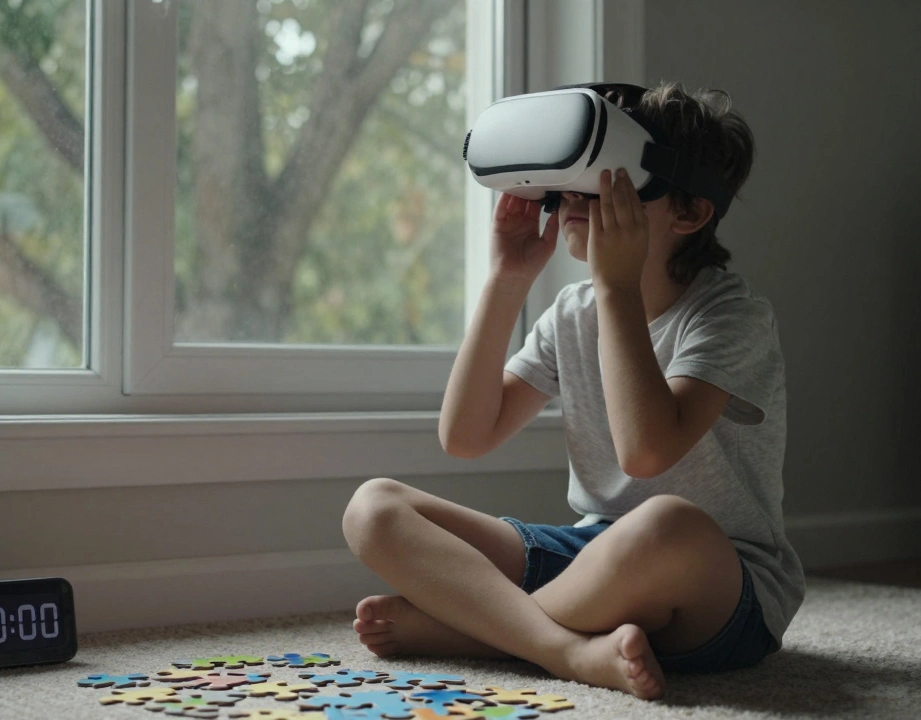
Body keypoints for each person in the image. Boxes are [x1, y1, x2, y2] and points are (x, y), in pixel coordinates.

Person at [341, 81, 804, 701]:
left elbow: (645, 451)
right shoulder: (572, 310)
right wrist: (506, 280)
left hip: (719, 586)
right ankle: (565, 648)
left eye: (608, 183)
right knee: (373, 507)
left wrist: (616, 290)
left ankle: (481, 629)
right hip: (592, 554)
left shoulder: (730, 317)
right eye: (570, 187)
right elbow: (466, 436)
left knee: (667, 524)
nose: (572, 203)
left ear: (689, 212)